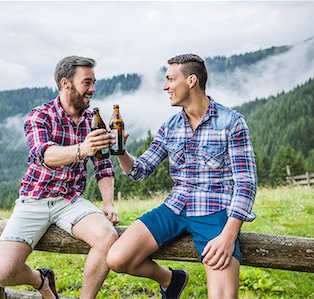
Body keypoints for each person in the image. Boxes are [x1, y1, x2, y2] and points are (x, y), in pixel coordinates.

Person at [106, 54, 257, 299]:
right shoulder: (170, 126)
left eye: (170, 79)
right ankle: (171, 280)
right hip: (174, 207)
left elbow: (246, 184)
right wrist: (121, 151)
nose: (165, 86)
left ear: (191, 81)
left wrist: (229, 236)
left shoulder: (231, 122)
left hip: (215, 210)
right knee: (117, 258)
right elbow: (140, 169)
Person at [0, 55, 119, 299]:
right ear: (65, 83)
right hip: (34, 199)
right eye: (87, 82)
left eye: (94, 82)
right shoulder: (39, 116)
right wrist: (83, 149)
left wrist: (108, 203)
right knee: (2, 273)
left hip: (70, 200)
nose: (92, 89)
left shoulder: (93, 119)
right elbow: (44, 155)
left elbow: (103, 165)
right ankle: (41, 280)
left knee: (108, 237)